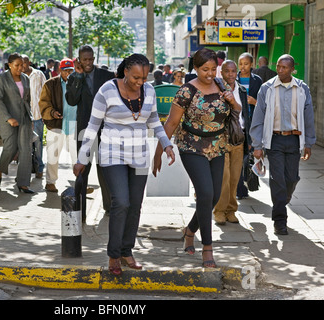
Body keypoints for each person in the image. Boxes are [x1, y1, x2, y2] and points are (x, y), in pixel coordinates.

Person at [73, 53, 175, 275]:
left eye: (144, 78)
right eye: (136, 77)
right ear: (125, 71)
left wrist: (166, 145)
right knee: (121, 202)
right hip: (112, 154)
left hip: (139, 154)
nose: (140, 82)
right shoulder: (107, 91)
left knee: (135, 205)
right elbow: (92, 126)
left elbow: (155, 121)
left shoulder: (148, 91)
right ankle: (113, 254)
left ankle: (127, 251)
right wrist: (82, 157)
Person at [153, 48, 241, 268]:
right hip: (191, 146)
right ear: (195, 68)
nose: (210, 73)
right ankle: (208, 248)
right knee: (205, 192)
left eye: (213, 69)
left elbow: (238, 110)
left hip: (218, 145)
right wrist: (159, 152)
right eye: (205, 69)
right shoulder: (186, 91)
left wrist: (232, 100)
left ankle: (190, 230)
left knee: (212, 197)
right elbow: (171, 123)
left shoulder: (222, 85)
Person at [250, 54, 316, 235]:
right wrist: (257, 145)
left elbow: (308, 117)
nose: (280, 70)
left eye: (284, 67)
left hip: (295, 140)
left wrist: (309, 143)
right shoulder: (267, 88)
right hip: (275, 140)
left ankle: (281, 200)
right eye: (278, 66)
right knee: (277, 180)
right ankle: (280, 220)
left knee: (292, 178)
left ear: (292, 69)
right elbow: (258, 118)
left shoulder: (302, 88)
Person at [66, 45, 115, 218]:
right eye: (84, 59)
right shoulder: (73, 77)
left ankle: (109, 207)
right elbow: (72, 100)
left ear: (94, 58)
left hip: (105, 129)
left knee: (105, 167)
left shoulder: (107, 76)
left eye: (90, 59)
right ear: (78, 60)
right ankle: (81, 212)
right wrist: (79, 76)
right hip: (84, 130)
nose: (88, 62)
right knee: (83, 169)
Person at [213, 60, 251, 225]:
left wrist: (249, 139)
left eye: (233, 71)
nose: (230, 74)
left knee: (235, 177)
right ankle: (219, 211)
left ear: (237, 73)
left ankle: (231, 210)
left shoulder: (242, 90)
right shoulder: (216, 89)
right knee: (224, 177)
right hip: (221, 139)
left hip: (238, 139)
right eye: (227, 71)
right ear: (221, 73)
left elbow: (245, 116)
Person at [0, 53, 35, 194]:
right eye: (17, 65)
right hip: (8, 119)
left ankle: (23, 183)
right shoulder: (1, 78)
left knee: (26, 150)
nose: (20, 68)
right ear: (9, 64)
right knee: (10, 148)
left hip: (24, 117)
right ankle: (0, 169)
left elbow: (27, 99)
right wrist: (8, 117)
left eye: (22, 65)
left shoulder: (25, 78)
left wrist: (31, 118)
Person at [39, 58, 77, 193]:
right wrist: (52, 112)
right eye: (65, 70)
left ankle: (81, 182)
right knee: (52, 155)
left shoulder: (78, 84)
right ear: (60, 70)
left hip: (74, 126)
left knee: (78, 157)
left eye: (70, 70)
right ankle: (50, 182)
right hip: (56, 125)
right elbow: (43, 102)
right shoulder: (50, 84)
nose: (68, 73)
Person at [236, 52, 263, 199]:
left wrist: (254, 102)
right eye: (240, 63)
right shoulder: (234, 79)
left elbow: (264, 104)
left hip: (252, 123)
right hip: (237, 124)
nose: (243, 67)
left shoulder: (257, 81)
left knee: (249, 155)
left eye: (246, 64)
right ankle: (239, 189)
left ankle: (248, 183)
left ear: (252, 65)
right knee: (238, 156)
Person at [23, 55, 47, 178]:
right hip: (23, 117)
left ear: (29, 63)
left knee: (38, 144)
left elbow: (46, 92)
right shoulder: (17, 76)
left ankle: (39, 168)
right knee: (25, 144)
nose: (23, 66)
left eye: (25, 63)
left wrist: (45, 112)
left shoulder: (38, 74)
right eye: (20, 63)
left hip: (37, 115)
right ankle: (27, 169)